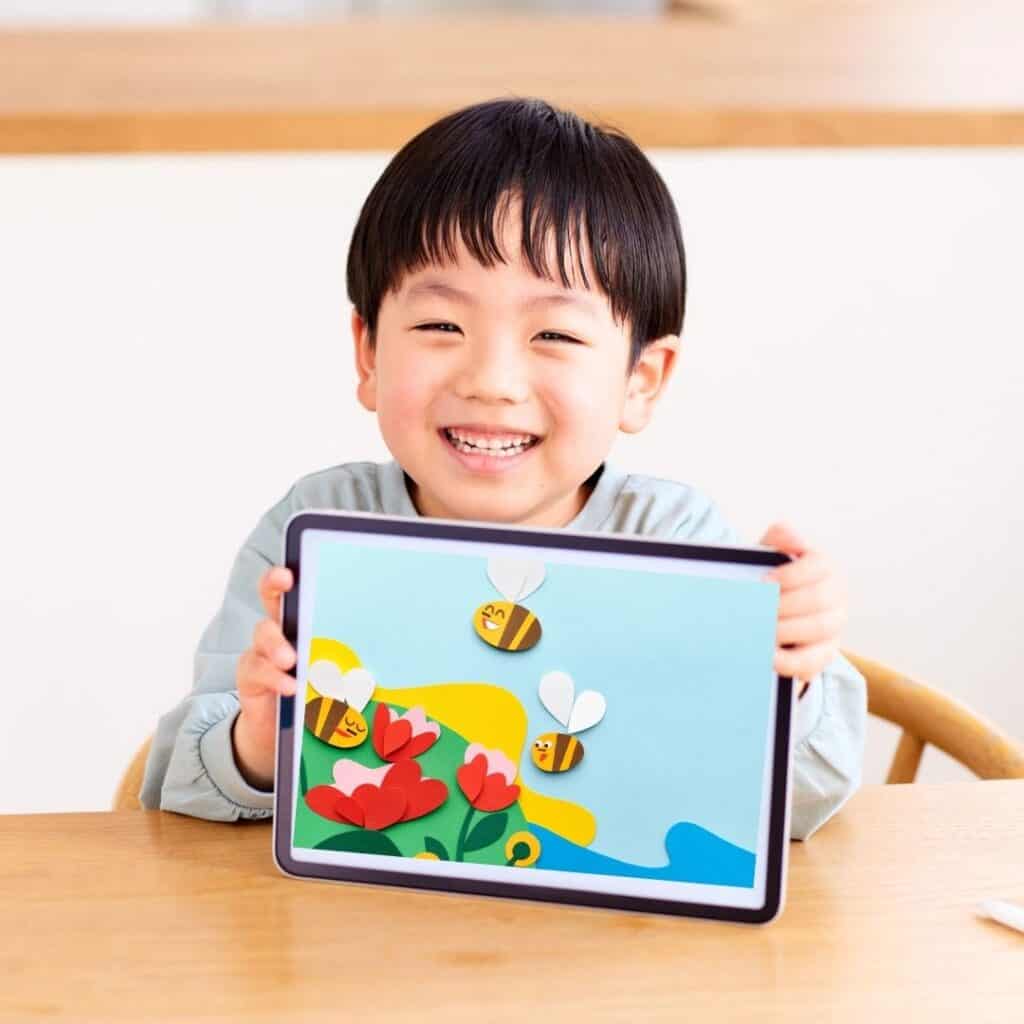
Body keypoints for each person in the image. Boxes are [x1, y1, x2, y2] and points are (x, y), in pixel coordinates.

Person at [140, 97, 866, 840]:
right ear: (367, 352)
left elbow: (803, 802)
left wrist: (793, 673)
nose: (492, 380)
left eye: (553, 333)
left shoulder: (677, 541)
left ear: (641, 379)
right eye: (440, 326)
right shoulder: (312, 532)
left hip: (607, 944)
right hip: (363, 934)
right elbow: (175, 786)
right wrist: (260, 744)